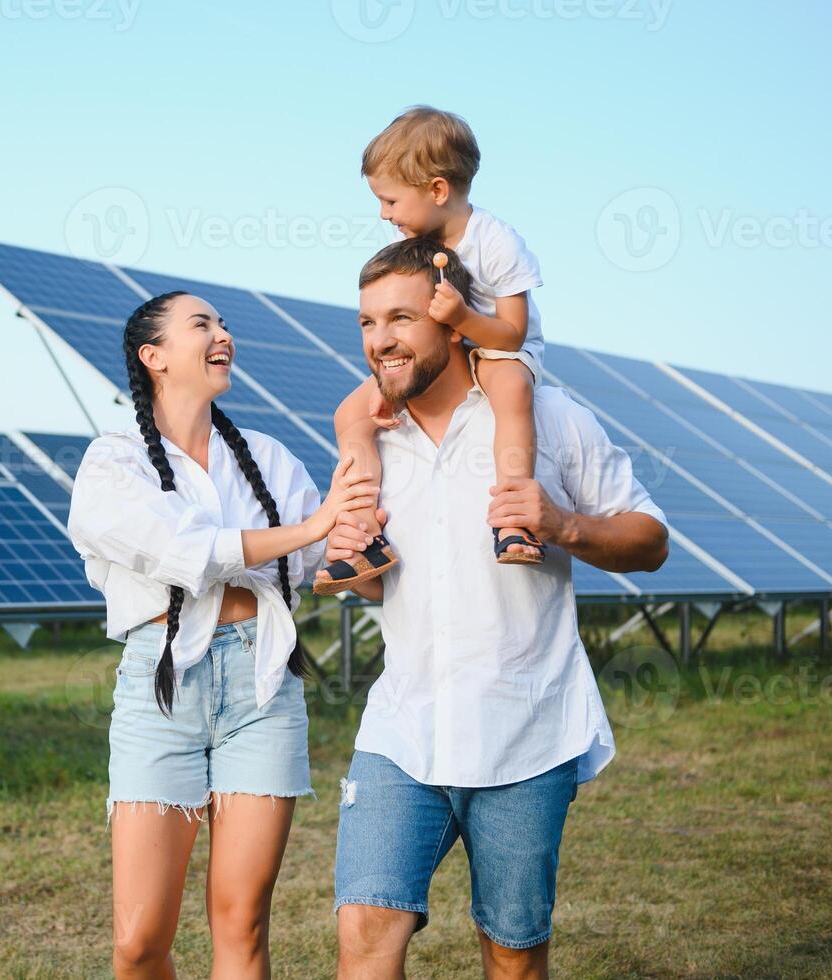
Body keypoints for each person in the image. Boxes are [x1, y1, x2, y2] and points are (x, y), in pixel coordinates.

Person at [325, 237, 669, 979]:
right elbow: (376, 587)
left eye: (399, 318)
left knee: (512, 954)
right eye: (364, 323)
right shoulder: (368, 443)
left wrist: (564, 525)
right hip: (403, 730)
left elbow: (649, 541)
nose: (378, 340)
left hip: (524, 732)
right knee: (363, 928)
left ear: (453, 320)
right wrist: (354, 555)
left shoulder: (550, 419)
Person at [67, 290, 378, 979]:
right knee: (138, 941)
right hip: (163, 687)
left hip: (262, 687)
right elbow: (186, 550)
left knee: (240, 924)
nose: (223, 335)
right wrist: (314, 526)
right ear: (154, 357)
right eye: (201, 324)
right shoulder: (110, 464)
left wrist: (351, 538)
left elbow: (316, 566)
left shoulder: (263, 454)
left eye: (224, 324)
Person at [315, 106, 549, 595]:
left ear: (437, 190)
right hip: (442, 357)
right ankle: (362, 531)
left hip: (496, 348)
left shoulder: (497, 242)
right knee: (350, 414)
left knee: (510, 393)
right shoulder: (418, 249)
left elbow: (513, 333)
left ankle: (512, 518)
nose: (384, 214)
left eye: (391, 200)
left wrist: (462, 319)